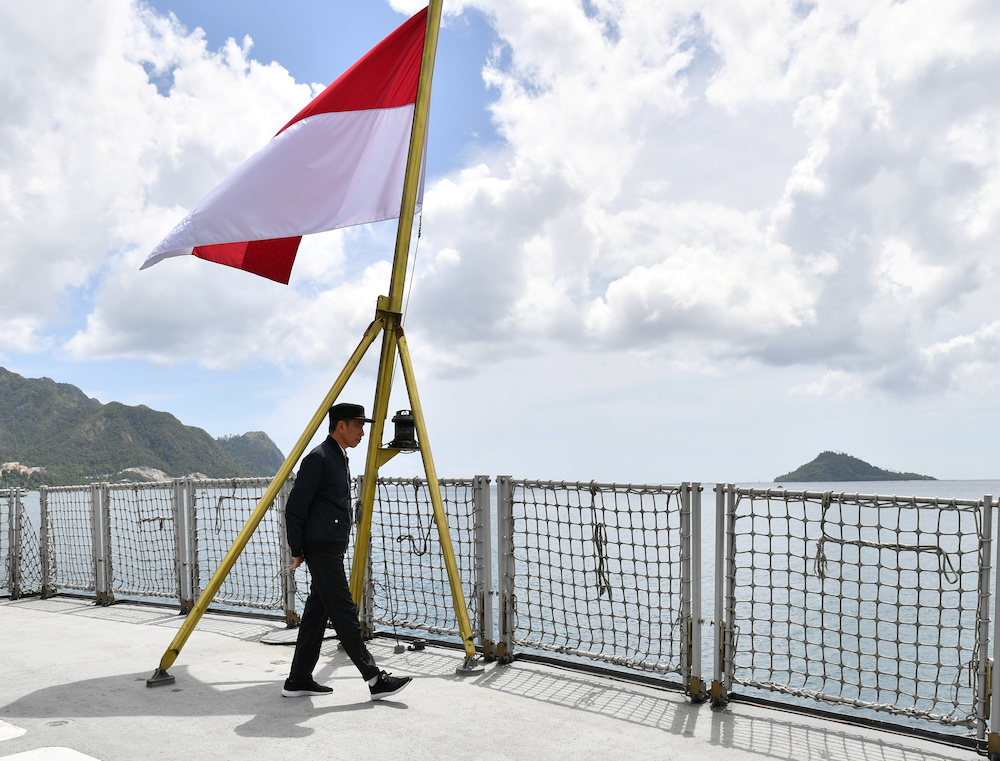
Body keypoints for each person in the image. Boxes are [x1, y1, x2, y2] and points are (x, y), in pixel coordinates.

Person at [282, 402, 412, 700]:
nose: (363, 432)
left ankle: (298, 679)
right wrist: (297, 548)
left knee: (317, 615)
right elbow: (295, 507)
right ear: (341, 426)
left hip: (329, 547)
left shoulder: (337, 456)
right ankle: (374, 679)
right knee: (345, 612)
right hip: (322, 549)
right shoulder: (319, 458)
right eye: (358, 425)